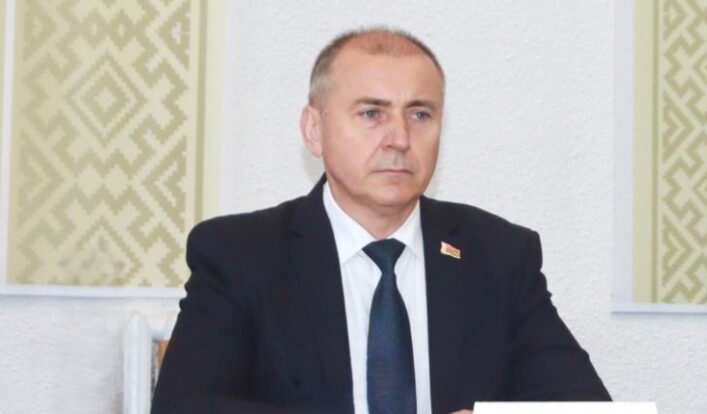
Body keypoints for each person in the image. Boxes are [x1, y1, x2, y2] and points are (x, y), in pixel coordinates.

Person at [152, 27, 610, 414]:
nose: (400, 138)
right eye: (372, 113)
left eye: (420, 114)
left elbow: (584, 406)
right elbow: (185, 407)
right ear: (314, 130)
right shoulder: (241, 254)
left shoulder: (499, 255)